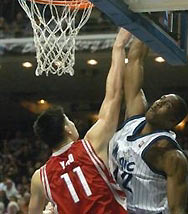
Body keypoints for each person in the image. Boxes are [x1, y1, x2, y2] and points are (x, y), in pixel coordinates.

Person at [28, 28, 131, 214]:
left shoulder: (39, 177)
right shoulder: (91, 144)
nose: (73, 124)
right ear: (67, 129)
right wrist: (119, 46)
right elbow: (114, 96)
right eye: (70, 121)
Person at [109, 38, 188, 214]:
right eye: (161, 99)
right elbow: (135, 59)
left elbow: (177, 208)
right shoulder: (135, 117)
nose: (159, 103)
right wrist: (142, 24)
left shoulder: (169, 154)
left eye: (166, 105)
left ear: (172, 122)